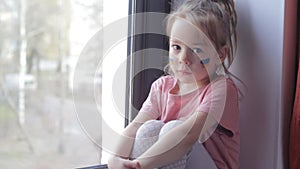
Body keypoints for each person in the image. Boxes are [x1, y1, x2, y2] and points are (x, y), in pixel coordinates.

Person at [107, 0, 241, 168]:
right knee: (148, 129)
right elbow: (135, 127)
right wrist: (114, 159)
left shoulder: (222, 89)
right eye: (177, 47)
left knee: (173, 130)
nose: (183, 59)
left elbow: (189, 134)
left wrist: (139, 164)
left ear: (220, 55)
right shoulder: (162, 87)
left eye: (196, 50)